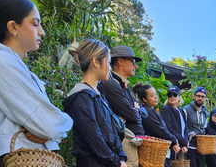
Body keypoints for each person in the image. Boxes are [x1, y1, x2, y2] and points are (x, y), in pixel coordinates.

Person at [0, 0, 73, 167]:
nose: (42, 32)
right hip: (24, 158)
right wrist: (65, 123)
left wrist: (52, 128)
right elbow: (47, 123)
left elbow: (46, 124)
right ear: (13, 27)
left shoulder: (9, 63)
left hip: (35, 157)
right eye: (35, 24)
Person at [61, 39, 127, 167]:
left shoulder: (97, 93)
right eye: (108, 62)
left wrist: (121, 157)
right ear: (96, 62)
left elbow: (109, 130)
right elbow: (94, 137)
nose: (110, 67)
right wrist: (116, 161)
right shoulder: (81, 96)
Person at [99, 45, 147, 167]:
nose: (135, 66)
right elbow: (134, 116)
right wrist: (136, 110)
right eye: (132, 62)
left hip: (131, 143)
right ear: (120, 61)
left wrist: (137, 110)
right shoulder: (111, 84)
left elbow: (142, 113)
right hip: (123, 143)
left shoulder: (123, 85)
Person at [133, 83, 181, 163]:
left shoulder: (152, 110)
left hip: (159, 151)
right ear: (144, 99)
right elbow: (159, 130)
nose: (156, 97)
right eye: (152, 96)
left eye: (155, 94)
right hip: (152, 152)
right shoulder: (146, 111)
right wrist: (174, 140)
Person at [160, 86, 189, 165]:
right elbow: (168, 128)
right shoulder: (166, 109)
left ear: (179, 97)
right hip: (172, 146)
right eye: (170, 95)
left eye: (175, 95)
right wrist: (182, 142)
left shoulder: (181, 111)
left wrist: (185, 144)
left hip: (182, 147)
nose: (172, 97)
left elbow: (185, 128)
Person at [183, 87, 209, 167]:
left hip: (200, 148)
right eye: (198, 96)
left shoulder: (205, 113)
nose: (200, 98)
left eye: (202, 97)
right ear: (193, 96)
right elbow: (182, 128)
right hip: (189, 147)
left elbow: (203, 128)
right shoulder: (186, 110)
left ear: (205, 99)